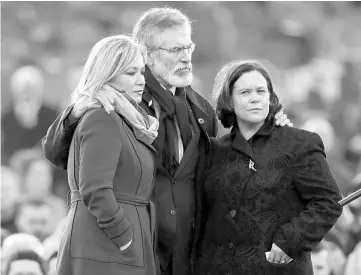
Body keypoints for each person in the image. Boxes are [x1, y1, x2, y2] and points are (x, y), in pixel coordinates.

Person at [42, 7, 291, 275]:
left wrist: (269, 136)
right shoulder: (118, 101)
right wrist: (78, 109)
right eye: (174, 50)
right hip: (132, 247)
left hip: (186, 254)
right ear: (145, 54)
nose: (185, 58)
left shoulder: (203, 111)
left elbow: (218, 175)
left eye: (188, 47)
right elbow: (58, 153)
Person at [194, 60, 343, 275]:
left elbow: (328, 202)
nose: (255, 98)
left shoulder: (299, 144)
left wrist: (289, 241)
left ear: (270, 97)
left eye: (261, 91)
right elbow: (203, 217)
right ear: (229, 100)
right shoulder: (214, 151)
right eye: (245, 92)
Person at [54, 35, 159, 275]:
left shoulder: (126, 119)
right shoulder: (104, 116)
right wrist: (123, 235)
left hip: (115, 244)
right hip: (104, 246)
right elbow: (95, 188)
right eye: (131, 73)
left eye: (142, 72)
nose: (141, 80)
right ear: (107, 73)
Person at [1, 65, 58, 161]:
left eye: (32, 89)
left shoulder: (52, 115)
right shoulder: (6, 118)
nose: (27, 95)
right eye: (23, 90)